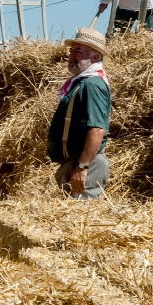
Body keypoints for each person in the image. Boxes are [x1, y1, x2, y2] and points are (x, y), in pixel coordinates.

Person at [47, 27, 111, 199]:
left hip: (87, 166)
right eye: (71, 50)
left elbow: (97, 130)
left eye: (78, 51)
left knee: (81, 218)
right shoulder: (81, 83)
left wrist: (82, 167)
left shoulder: (92, 85)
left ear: (95, 57)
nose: (71, 55)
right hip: (75, 163)